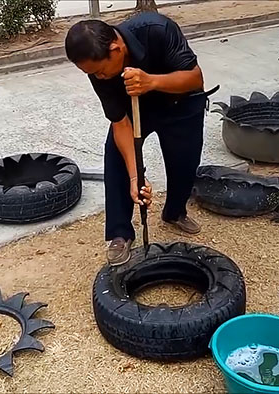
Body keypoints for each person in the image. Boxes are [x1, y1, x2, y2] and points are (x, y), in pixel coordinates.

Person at [65, 12, 213, 265]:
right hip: (136, 112)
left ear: (116, 49)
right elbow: (120, 123)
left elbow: (194, 78)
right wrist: (136, 177)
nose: (98, 77)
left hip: (180, 101)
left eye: (100, 72)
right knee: (116, 160)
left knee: (184, 162)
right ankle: (120, 233)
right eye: (92, 74)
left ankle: (175, 212)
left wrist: (151, 81)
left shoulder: (157, 29)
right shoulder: (96, 67)